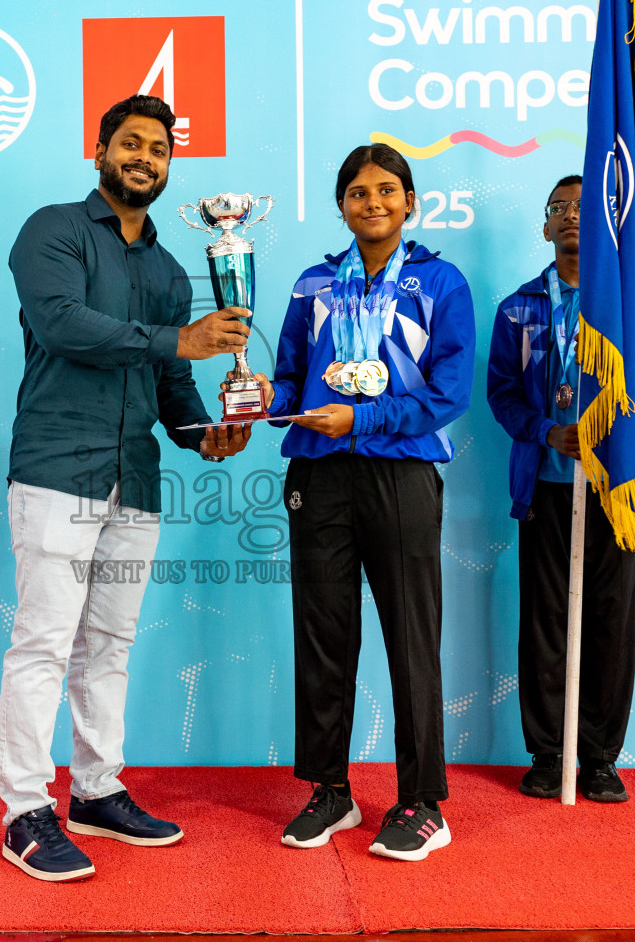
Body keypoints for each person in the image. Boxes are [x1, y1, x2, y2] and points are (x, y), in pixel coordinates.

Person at [0, 94, 253, 882]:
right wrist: (179, 338)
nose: (145, 158)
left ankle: (96, 791)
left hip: (136, 479)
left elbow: (170, 385)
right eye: (130, 144)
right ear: (100, 150)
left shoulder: (173, 270)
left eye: (159, 150)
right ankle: (23, 812)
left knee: (109, 643)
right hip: (57, 469)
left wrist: (207, 435)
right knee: (44, 640)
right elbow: (65, 326)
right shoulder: (53, 231)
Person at [262, 143, 475, 861]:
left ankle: (423, 803)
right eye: (357, 191)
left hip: (401, 472)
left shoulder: (439, 282)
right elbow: (291, 378)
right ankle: (330, 790)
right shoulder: (313, 283)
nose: (373, 202)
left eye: (387, 190)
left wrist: (364, 419)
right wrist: (268, 399)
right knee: (322, 634)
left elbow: (448, 394)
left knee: (411, 635)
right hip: (319, 472)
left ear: (410, 202)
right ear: (342, 205)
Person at [485, 175, 635, 804]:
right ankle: (549, 752)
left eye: (584, 208)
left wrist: (610, 435)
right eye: (560, 209)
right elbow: (500, 394)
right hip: (545, 487)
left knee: (610, 619)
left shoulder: (632, 308)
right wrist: (548, 431)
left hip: (616, 491)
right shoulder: (518, 309)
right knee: (544, 622)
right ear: (545, 227)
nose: (572, 217)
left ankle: (599, 757)